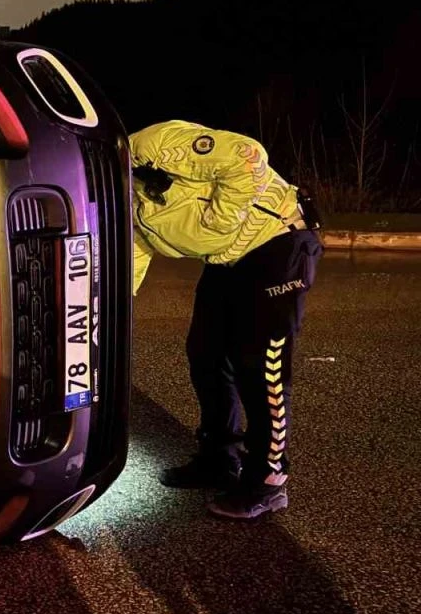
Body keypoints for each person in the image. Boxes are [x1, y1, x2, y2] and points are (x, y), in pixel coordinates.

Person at [131, 120, 323, 520]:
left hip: (278, 243)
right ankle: (219, 458)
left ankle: (268, 479)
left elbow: (246, 156)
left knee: (262, 367)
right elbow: (134, 250)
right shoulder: (116, 195)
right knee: (205, 355)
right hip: (226, 259)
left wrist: (216, 225)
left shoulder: (151, 146)